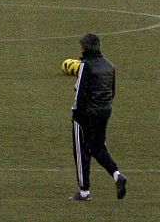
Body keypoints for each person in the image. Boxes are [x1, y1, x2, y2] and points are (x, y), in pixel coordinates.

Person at [70, 32, 127, 202]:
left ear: (85, 47)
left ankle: (84, 192)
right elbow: (112, 91)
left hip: (85, 115)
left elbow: (80, 92)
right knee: (98, 147)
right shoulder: (109, 65)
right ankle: (117, 175)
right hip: (104, 112)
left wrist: (77, 114)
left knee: (81, 151)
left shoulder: (85, 66)